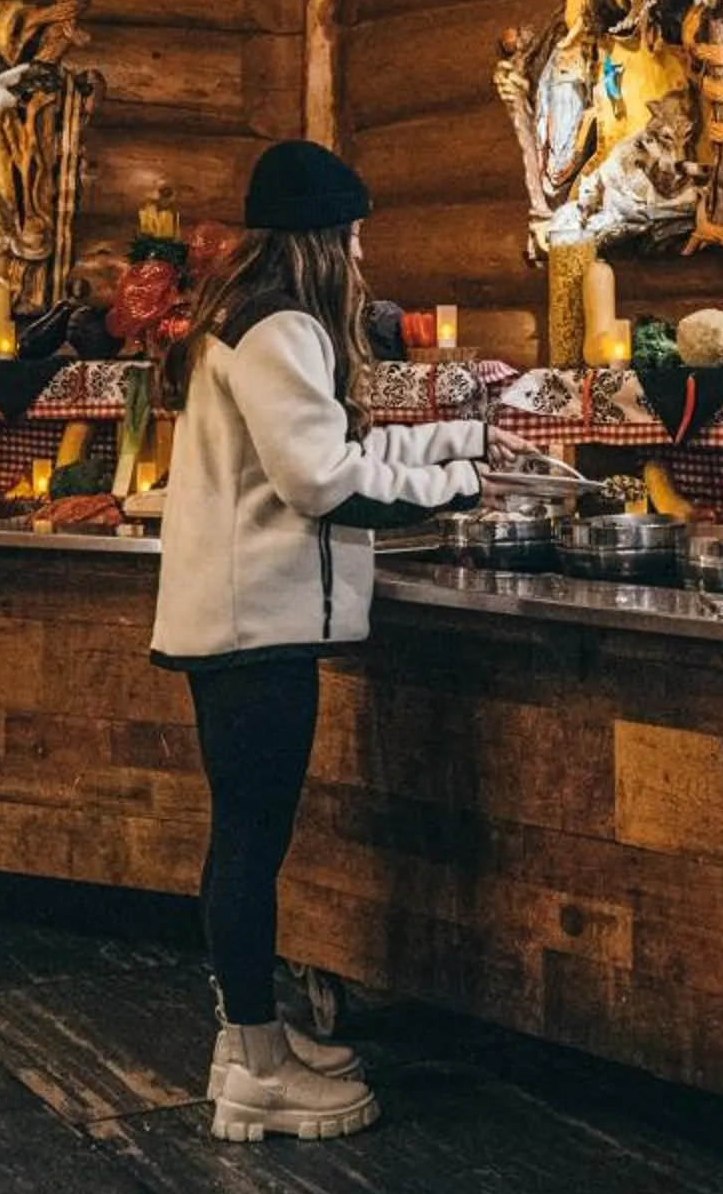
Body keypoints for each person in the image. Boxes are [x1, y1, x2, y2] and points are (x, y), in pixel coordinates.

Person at [152, 139, 529, 1141]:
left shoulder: (255, 318)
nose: (361, 250)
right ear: (321, 237)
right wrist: (458, 486)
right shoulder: (280, 325)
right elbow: (321, 479)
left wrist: (465, 439)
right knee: (248, 841)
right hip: (252, 623)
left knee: (244, 836)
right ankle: (261, 1072)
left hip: (241, 616)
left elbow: (337, 438)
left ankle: (249, 1039)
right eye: (353, 232)